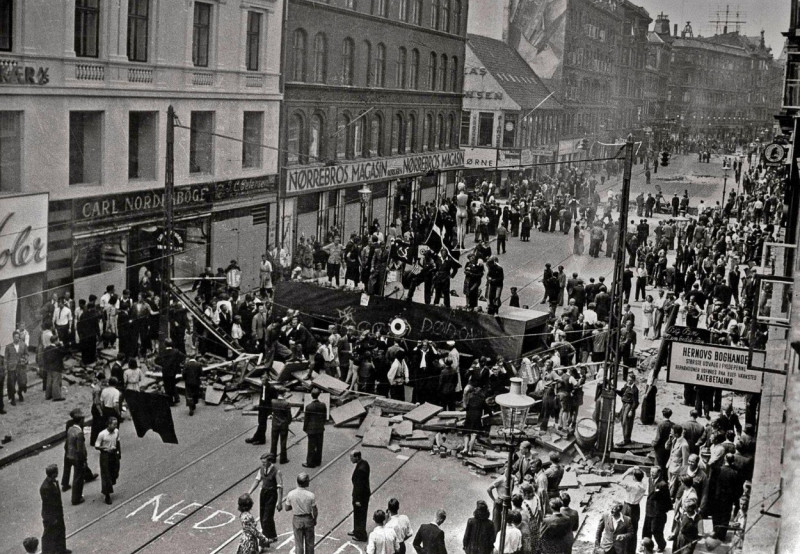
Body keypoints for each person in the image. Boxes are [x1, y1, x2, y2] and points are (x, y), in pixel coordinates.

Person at [249, 453, 282, 545]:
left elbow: (280, 487)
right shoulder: (262, 469)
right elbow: (257, 480)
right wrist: (249, 492)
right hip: (263, 493)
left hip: (272, 494)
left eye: (264, 462)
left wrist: (279, 502)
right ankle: (273, 536)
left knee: (266, 518)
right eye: (262, 462)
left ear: (269, 461)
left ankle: (265, 539)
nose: (263, 464)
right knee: (263, 515)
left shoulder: (276, 471)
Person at [283, 472, 318, 554]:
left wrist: (295, 506)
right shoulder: (311, 495)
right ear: (306, 483)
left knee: (299, 544)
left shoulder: (291, 494)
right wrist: (314, 519)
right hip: (308, 518)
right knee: (310, 543)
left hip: (297, 519)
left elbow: (287, 508)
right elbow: (315, 509)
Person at [40, 464, 70, 554]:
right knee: (48, 534)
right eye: (56, 472)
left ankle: (61, 550)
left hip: (57, 512)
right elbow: (48, 505)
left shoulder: (53, 482)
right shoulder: (45, 487)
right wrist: (53, 518)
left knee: (61, 530)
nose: (57, 474)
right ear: (53, 474)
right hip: (51, 515)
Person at [641, 467, 671, 553]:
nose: (651, 474)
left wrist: (662, 511)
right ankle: (647, 546)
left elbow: (667, 499)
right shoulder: (650, 479)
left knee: (656, 530)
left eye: (653, 473)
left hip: (657, 512)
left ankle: (662, 545)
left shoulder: (663, 484)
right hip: (649, 509)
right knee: (646, 529)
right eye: (651, 472)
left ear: (659, 473)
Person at [618, 467, 646, 554]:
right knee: (633, 530)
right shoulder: (643, 485)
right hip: (636, 508)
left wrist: (628, 471)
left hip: (627, 507)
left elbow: (618, 480)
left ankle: (623, 550)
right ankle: (631, 551)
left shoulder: (631, 486)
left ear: (634, 477)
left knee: (624, 528)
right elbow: (643, 473)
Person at [94, 416, 120, 505]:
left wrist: (118, 453)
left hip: (114, 455)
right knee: (106, 475)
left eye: (116, 424)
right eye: (114, 424)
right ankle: (107, 495)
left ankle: (109, 485)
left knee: (115, 472)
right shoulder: (102, 434)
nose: (116, 426)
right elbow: (97, 446)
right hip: (105, 456)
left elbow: (118, 441)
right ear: (108, 424)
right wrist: (105, 448)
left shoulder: (116, 431)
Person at [65, 409, 88, 505]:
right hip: (77, 458)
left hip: (70, 455)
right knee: (78, 478)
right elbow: (80, 449)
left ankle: (76, 496)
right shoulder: (79, 433)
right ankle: (76, 498)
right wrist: (84, 460)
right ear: (81, 421)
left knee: (76, 477)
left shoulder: (70, 429)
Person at [349, 451, 371, 542]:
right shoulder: (364, 463)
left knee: (360, 515)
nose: (351, 459)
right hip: (362, 495)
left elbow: (360, 486)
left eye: (352, 458)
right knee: (358, 514)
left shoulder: (361, 470)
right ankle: (356, 530)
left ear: (357, 457)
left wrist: (357, 499)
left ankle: (361, 534)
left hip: (360, 497)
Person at [155, 339, 184, 405]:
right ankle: (176, 397)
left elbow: (156, 360)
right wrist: (176, 363)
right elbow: (183, 357)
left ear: (165, 344)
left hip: (165, 371)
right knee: (172, 383)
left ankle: (170, 401)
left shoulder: (162, 352)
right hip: (174, 371)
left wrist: (163, 364)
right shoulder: (176, 351)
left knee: (167, 386)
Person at [303, 389, 327, 468]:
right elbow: (324, 417)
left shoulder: (308, 406)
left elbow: (306, 419)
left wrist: (305, 428)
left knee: (311, 446)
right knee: (319, 445)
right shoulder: (323, 405)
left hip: (311, 429)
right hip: (320, 428)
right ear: (318, 395)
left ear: (311, 395)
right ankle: (318, 461)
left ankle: (310, 462)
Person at [616, 374, 639, 446]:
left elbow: (636, 402)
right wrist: (615, 390)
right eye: (628, 380)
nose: (629, 382)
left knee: (627, 423)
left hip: (629, 406)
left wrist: (631, 410)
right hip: (624, 405)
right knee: (623, 422)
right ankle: (626, 439)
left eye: (631, 380)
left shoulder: (635, 390)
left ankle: (626, 440)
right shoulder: (626, 386)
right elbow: (622, 393)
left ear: (634, 381)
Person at [271, 389, 292, 464]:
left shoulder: (273, 401)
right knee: (283, 442)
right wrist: (287, 422)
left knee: (274, 441)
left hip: (275, 424)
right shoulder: (286, 403)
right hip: (283, 425)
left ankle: (272, 457)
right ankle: (283, 459)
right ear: (284, 394)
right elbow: (289, 416)